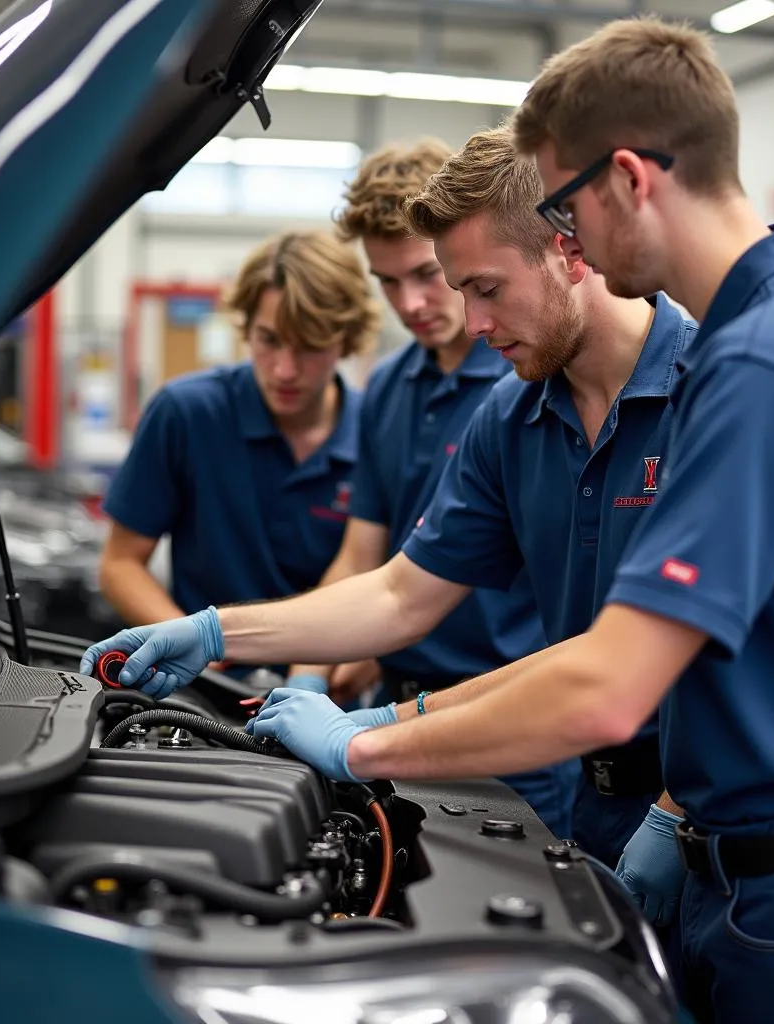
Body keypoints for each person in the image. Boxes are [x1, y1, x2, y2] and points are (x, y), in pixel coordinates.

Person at [171, 17, 774, 1024]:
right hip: (736, 870)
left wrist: (364, 748)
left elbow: (610, 684)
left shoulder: (761, 363)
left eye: (565, 210)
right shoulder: (769, 337)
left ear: (625, 181)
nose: (567, 239)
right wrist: (233, 635)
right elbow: (475, 611)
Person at [80, 124, 695, 874]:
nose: (467, 322)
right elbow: (400, 591)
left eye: (483, 289)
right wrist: (215, 633)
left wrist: (678, 812)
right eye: (453, 288)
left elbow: (732, 649)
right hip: (575, 787)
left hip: (732, 823)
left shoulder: (717, 390)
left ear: (571, 251)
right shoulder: (512, 414)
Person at [279, 138, 578, 837]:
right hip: (393, 717)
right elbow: (365, 561)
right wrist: (307, 672)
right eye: (387, 283)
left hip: (512, 728)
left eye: (425, 274)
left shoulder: (531, 378)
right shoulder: (387, 389)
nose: (411, 304)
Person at [96, 229, 380, 675]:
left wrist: (357, 661)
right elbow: (119, 564)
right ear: (246, 326)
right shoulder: (186, 414)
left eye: (309, 346)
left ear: (345, 340)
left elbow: (387, 581)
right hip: (205, 691)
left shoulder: (378, 432)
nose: (285, 370)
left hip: (328, 693)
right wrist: (193, 647)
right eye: (269, 340)